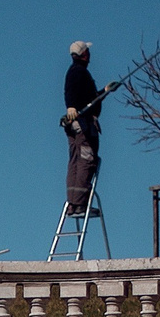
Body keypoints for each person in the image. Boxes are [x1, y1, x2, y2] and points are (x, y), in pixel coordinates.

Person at [63, 41, 103, 216]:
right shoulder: (78, 72)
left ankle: (72, 203)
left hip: (75, 124)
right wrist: (71, 106)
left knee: (75, 161)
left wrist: (104, 92)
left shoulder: (77, 72)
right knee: (85, 161)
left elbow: (89, 98)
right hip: (82, 124)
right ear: (84, 54)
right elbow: (70, 91)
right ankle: (79, 204)